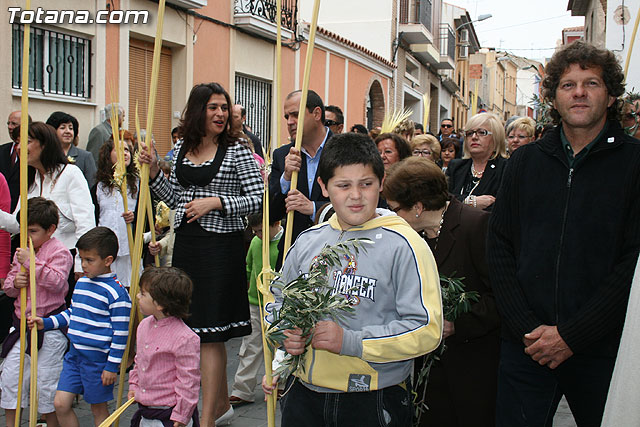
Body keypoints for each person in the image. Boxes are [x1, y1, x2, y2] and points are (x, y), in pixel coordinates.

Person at [487, 40, 640, 426]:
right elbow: (500, 246)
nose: (580, 93)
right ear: (553, 96)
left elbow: (633, 261)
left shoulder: (634, 163)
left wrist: (573, 334)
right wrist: (527, 329)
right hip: (526, 345)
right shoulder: (523, 162)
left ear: (610, 96)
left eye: (592, 83)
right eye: (568, 84)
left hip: (602, 348)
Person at [262, 132, 443, 426]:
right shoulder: (308, 241)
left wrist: (353, 342)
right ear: (323, 186)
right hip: (303, 394)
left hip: (372, 396)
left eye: (366, 184)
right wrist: (283, 338)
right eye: (343, 185)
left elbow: (426, 330)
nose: (356, 195)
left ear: (381, 182)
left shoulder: (405, 245)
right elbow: (279, 302)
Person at [141, 82, 263, 427]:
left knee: (210, 335)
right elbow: (175, 196)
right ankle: (220, 405)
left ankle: (205, 419)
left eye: (224, 107)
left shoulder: (238, 149)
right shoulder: (180, 147)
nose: (221, 113)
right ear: (198, 111)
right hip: (187, 247)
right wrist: (152, 173)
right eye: (213, 107)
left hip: (220, 249)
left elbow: (258, 199)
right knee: (193, 328)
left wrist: (218, 202)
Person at [383, 158, 500, 427]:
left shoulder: (476, 226)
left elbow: (500, 297)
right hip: (429, 373)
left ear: (418, 207)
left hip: (472, 368)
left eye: (396, 210)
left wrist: (456, 324)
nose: (392, 217)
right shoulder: (415, 237)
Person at [29, 227, 131, 427]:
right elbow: (73, 313)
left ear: (108, 261)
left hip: (97, 361)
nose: (83, 265)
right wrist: (47, 322)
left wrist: (112, 366)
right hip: (74, 356)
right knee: (60, 404)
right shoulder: (82, 283)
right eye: (81, 259)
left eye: (89, 260)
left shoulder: (117, 294)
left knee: (98, 409)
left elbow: (120, 335)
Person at [1, 198, 73, 427]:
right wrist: (16, 282)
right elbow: (9, 288)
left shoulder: (60, 252)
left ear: (50, 229)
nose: (27, 236)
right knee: (12, 378)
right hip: (21, 323)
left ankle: (48, 422)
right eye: (24, 230)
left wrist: (33, 264)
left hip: (48, 326)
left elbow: (59, 284)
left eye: (33, 231)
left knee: (46, 382)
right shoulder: (22, 250)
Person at [0, 122, 95, 280]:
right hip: (37, 261)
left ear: (45, 145)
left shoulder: (70, 174)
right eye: (17, 142)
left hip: (66, 261)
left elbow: (85, 223)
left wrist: (81, 262)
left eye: (27, 141)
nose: (19, 147)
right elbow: (19, 223)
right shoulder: (30, 181)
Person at [128, 267, 200, 427]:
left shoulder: (185, 337)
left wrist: (182, 414)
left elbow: (188, 380)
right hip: (146, 410)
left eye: (143, 293)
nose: (137, 296)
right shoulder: (144, 325)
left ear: (160, 304)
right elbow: (139, 361)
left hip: (170, 412)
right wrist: (134, 384)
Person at [269, 89, 331, 268]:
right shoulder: (283, 155)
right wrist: (286, 178)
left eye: (295, 114)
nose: (289, 122)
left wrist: (313, 208)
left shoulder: (343, 149)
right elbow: (271, 213)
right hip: (293, 254)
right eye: (286, 116)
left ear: (317, 113)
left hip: (334, 253)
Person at [229, 213, 282, 407]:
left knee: (279, 346)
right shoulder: (255, 243)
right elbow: (248, 268)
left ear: (276, 223)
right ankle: (242, 389)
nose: (258, 235)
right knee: (250, 346)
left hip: (278, 304)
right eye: (255, 231)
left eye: (261, 230)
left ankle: (280, 383)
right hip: (254, 302)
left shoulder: (285, 243)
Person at [91, 135, 139, 287]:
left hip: (130, 249)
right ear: (107, 155)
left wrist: (135, 217)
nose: (125, 153)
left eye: (127, 150)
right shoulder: (99, 187)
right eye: (119, 150)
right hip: (105, 247)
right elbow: (95, 216)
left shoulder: (138, 184)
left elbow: (146, 215)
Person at [446, 113, 507, 211]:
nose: (474, 137)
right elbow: (443, 199)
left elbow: (502, 205)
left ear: (496, 138)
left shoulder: (505, 168)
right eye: (469, 133)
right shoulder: (456, 166)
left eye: (482, 132)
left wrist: (457, 202)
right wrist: (470, 202)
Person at [46, 111, 97, 187]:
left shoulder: (85, 156)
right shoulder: (46, 154)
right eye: (63, 128)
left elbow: (92, 185)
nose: (68, 131)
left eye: (71, 128)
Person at [1, 111, 32, 212]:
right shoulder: (2, 150)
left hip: (22, 211)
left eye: (13, 124)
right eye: (8, 123)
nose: (10, 127)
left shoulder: (32, 155)